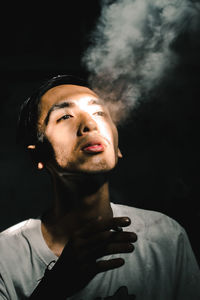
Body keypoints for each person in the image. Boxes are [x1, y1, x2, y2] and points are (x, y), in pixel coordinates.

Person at [0, 74, 199, 300]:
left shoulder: (166, 237)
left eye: (99, 113)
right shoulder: (5, 255)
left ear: (117, 147)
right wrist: (53, 289)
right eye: (65, 116)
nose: (90, 124)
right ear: (37, 153)